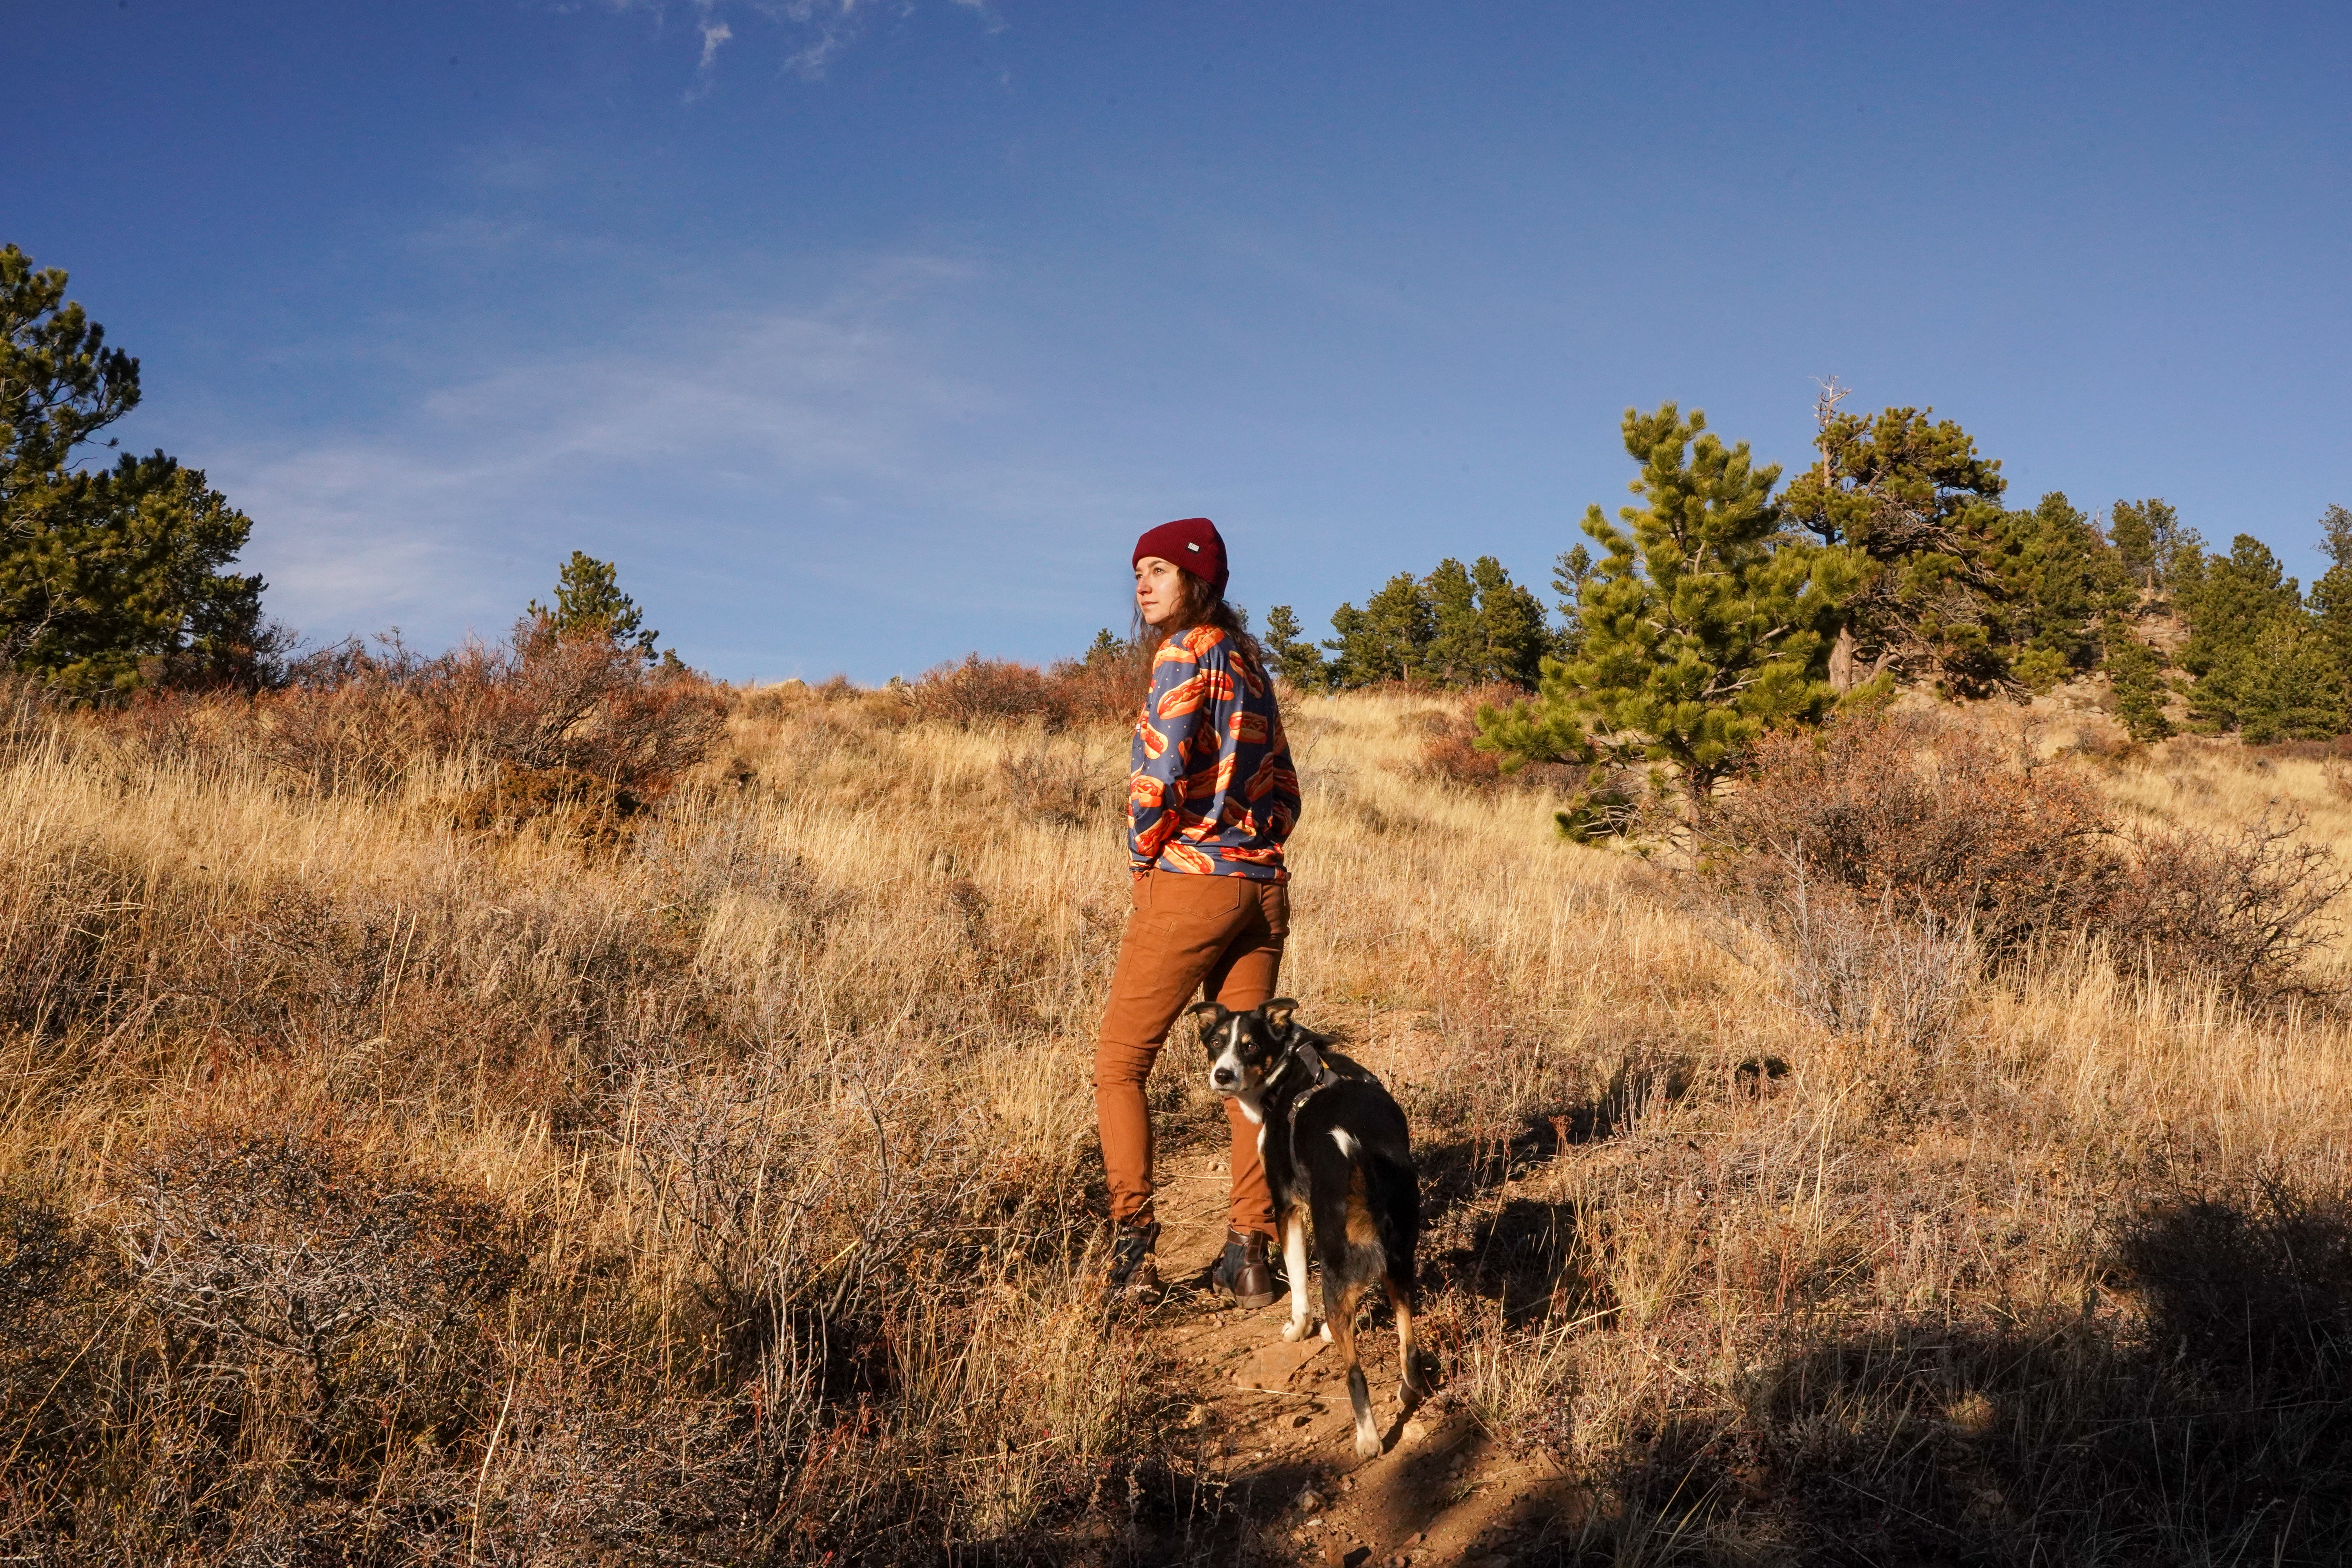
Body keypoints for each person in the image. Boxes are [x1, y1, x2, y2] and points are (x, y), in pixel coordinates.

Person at [1095, 517, 1301, 1303]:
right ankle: (1251, 1253)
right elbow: (1286, 789)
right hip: (1262, 889)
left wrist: (1148, 857)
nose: (1142, 584)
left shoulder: (1185, 653)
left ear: (1198, 579)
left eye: (1159, 570)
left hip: (1191, 884)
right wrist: (1255, 846)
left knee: (1120, 1062)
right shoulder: (1251, 663)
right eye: (1137, 571)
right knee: (1249, 1073)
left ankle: (1131, 1250)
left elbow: (1160, 770)